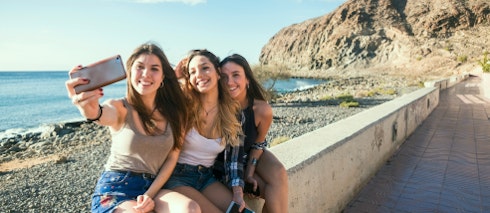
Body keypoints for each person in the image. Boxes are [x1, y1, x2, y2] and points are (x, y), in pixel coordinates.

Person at [65, 42, 201, 213]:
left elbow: (172, 158)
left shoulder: (175, 114)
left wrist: (149, 195)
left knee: (190, 208)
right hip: (117, 187)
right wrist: (87, 107)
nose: (146, 74)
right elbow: (98, 113)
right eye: (140, 67)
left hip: (154, 186)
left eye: (154, 69)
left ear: (163, 77)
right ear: (129, 72)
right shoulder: (120, 107)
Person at [163, 49, 247, 212]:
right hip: (176, 177)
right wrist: (173, 76)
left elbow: (234, 159)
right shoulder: (183, 106)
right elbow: (152, 100)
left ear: (218, 73)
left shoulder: (233, 113)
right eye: (192, 72)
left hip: (206, 178)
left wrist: (237, 192)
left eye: (205, 68)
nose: (199, 74)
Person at [219, 54, 289, 213]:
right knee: (266, 190)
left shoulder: (261, 110)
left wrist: (249, 173)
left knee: (279, 173)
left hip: (250, 154)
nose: (229, 82)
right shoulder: (217, 107)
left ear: (247, 79)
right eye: (224, 77)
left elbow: (258, 144)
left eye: (236, 75)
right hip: (225, 162)